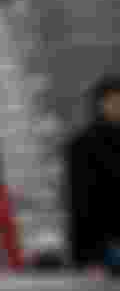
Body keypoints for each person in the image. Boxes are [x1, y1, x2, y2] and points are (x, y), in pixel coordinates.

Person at [65, 76, 120, 279]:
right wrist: (87, 256)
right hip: (104, 246)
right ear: (100, 104)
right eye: (113, 101)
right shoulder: (83, 144)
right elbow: (80, 203)